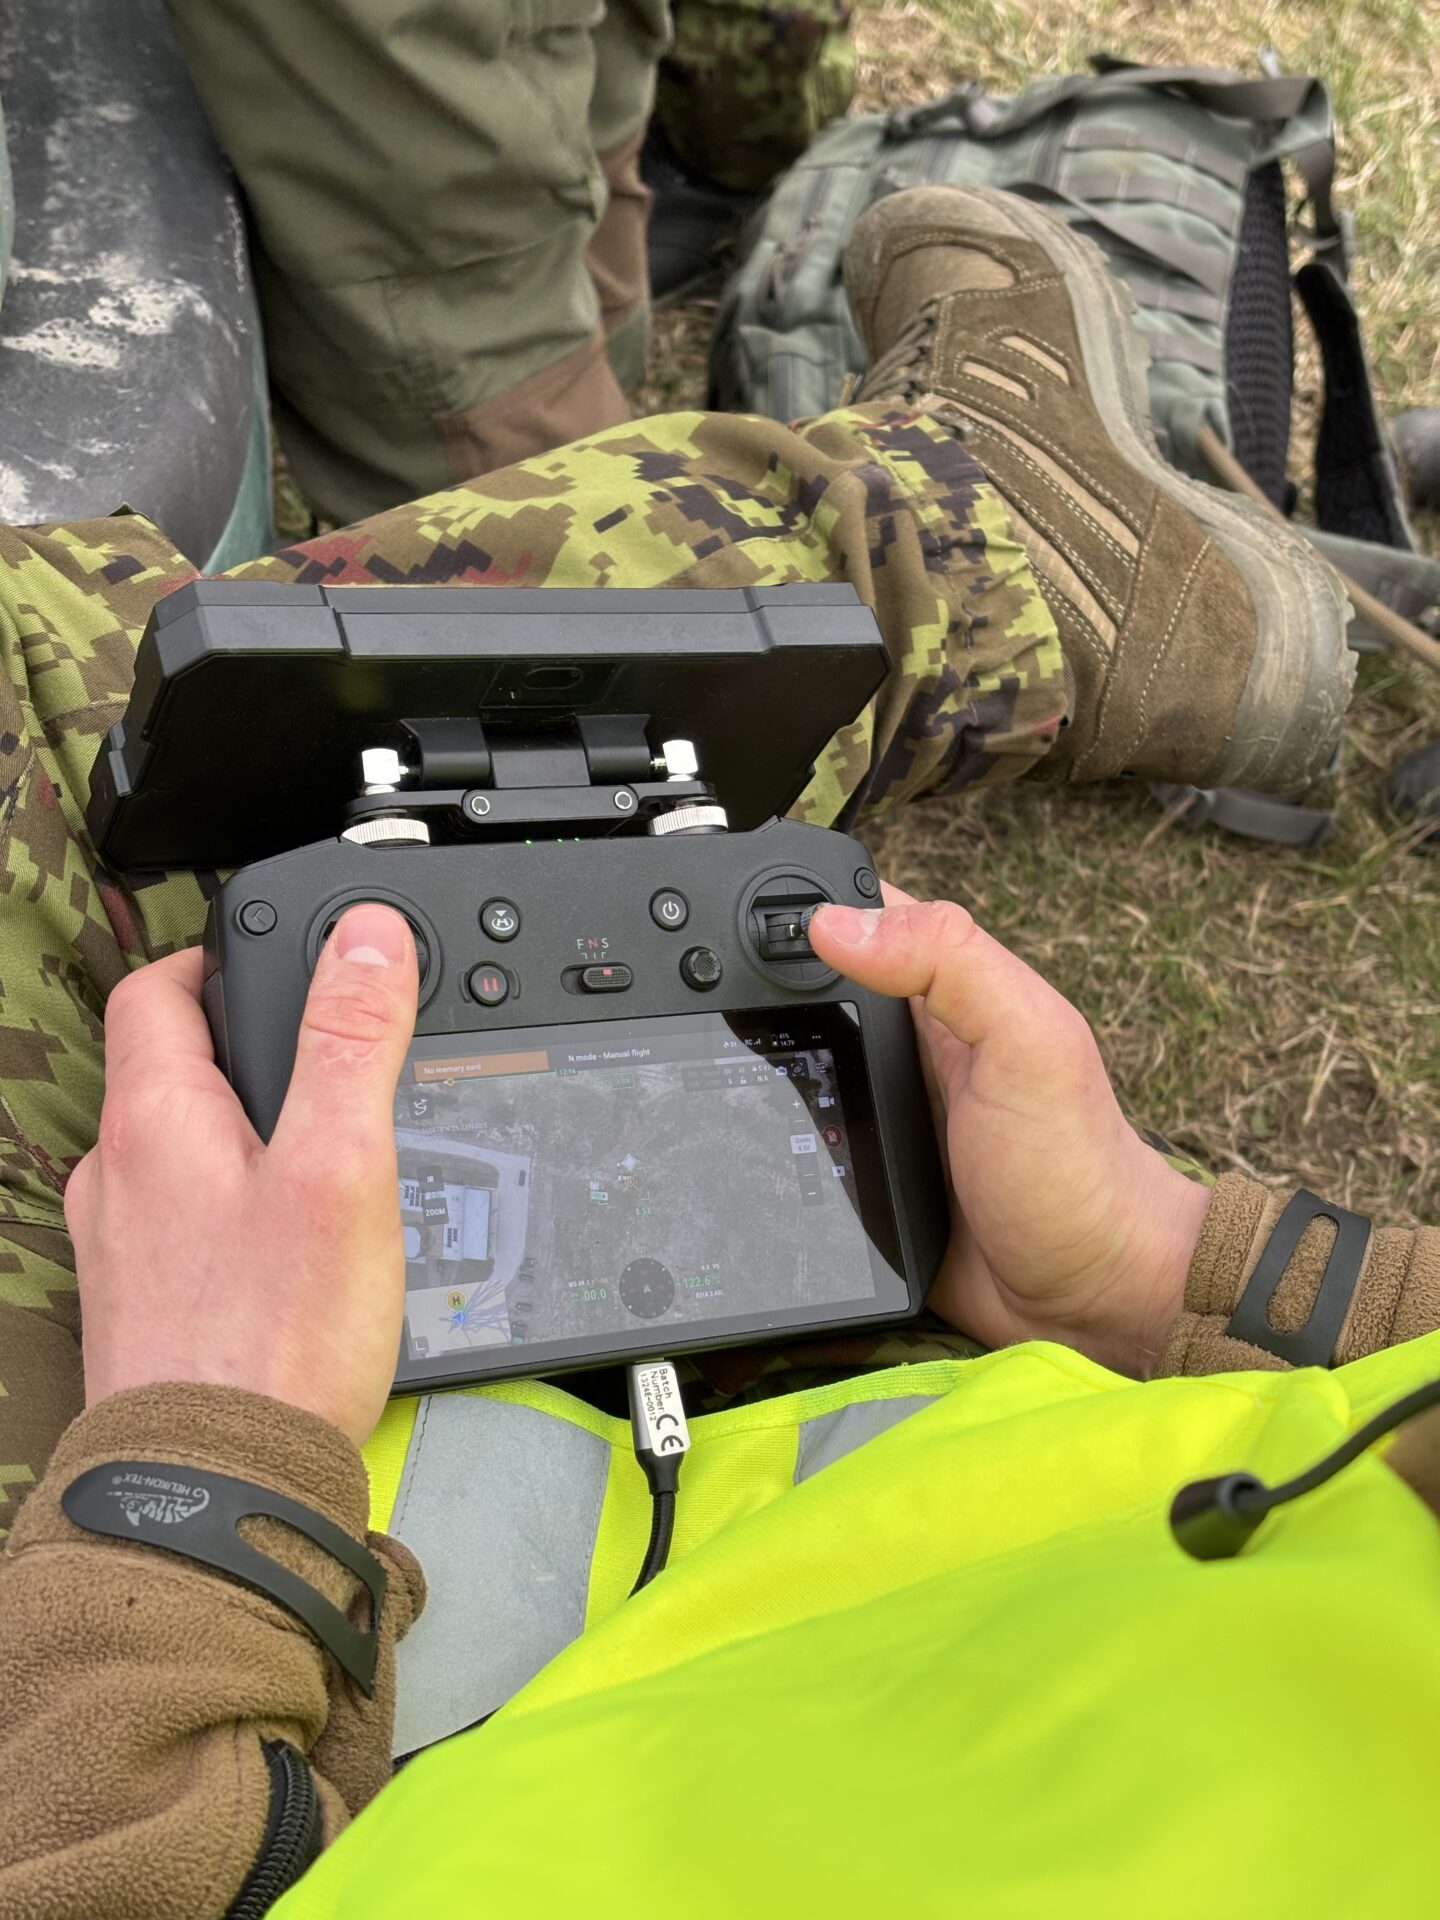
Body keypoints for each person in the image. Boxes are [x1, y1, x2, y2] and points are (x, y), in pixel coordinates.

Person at [5, 186, 1430, 1913]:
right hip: (974, 1447)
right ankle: (1008, 541)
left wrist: (194, 1481)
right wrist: (1171, 1270)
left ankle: (992, 537)